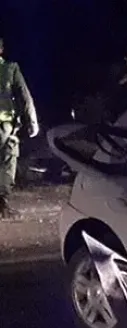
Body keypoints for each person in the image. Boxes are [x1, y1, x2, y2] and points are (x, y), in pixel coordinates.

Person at [0, 38, 40, 218]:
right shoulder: (10, 68)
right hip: (5, 125)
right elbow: (24, 96)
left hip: (6, 125)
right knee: (7, 162)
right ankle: (2, 204)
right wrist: (32, 122)